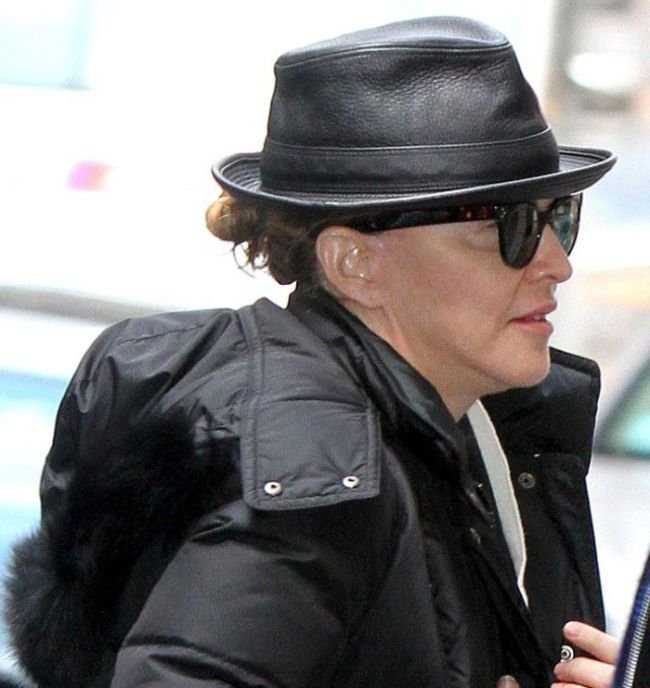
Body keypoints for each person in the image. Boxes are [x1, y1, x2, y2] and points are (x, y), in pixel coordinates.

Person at [3, 15, 620, 688]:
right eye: (512, 225)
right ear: (354, 263)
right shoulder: (317, 471)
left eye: (559, 216)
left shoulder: (460, 428)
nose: (556, 264)